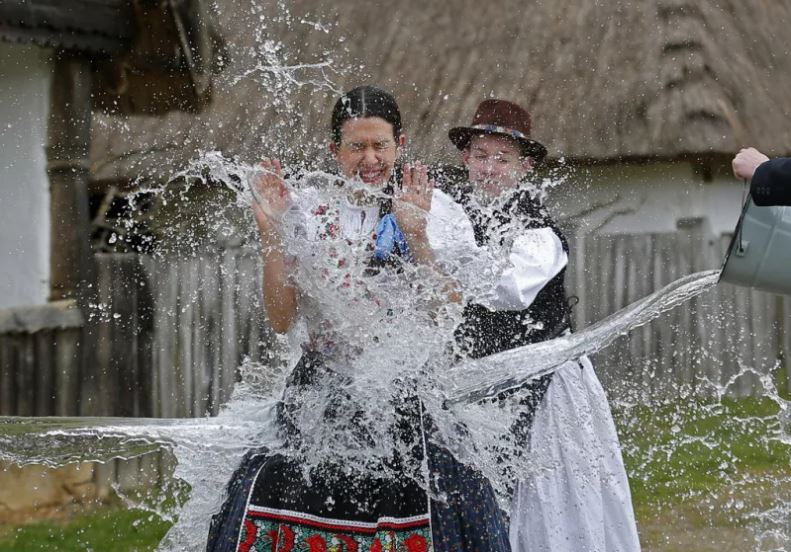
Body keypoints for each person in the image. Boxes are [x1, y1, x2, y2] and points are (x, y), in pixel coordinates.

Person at [206, 86, 511, 552]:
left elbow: (448, 313)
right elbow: (282, 319)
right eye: (357, 146)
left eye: (380, 145)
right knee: (260, 493)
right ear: (335, 151)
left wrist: (416, 235)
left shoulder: (435, 209)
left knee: (447, 505)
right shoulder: (305, 208)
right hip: (320, 394)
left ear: (399, 144)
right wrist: (272, 233)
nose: (370, 159)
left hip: (405, 392)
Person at [431, 99, 641, 552]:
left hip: (545, 384)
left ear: (524, 167)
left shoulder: (539, 231)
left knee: (548, 503)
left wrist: (439, 256)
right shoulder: (451, 217)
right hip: (479, 385)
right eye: (481, 156)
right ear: (465, 159)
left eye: (502, 159)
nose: (490, 168)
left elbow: (508, 290)